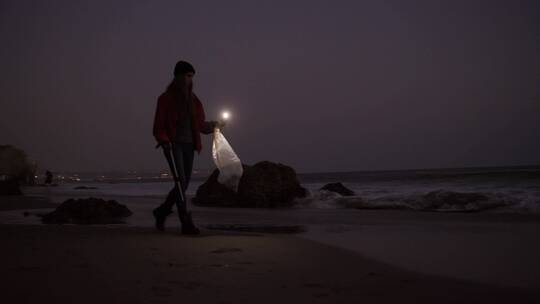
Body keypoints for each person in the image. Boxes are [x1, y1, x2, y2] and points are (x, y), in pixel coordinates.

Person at [152, 60, 225, 234]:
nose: (189, 80)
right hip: (173, 145)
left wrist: (215, 125)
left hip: (190, 145)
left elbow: (199, 125)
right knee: (180, 182)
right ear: (177, 76)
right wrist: (164, 141)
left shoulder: (194, 101)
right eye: (187, 76)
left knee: (183, 184)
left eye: (191, 77)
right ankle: (185, 222)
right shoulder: (165, 99)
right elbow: (159, 125)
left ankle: (161, 211)